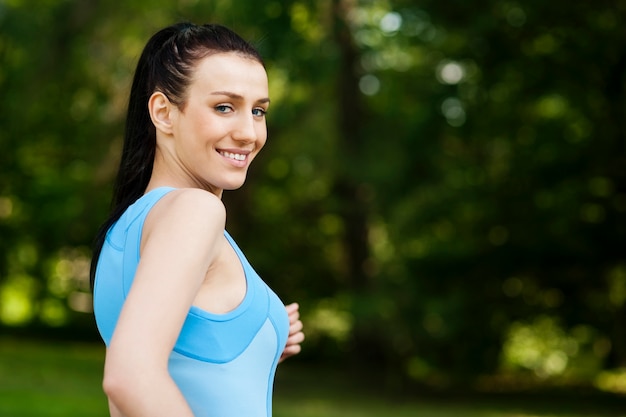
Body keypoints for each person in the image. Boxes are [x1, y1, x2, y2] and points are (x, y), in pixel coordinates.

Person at [89, 22, 305, 417]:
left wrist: (264, 335)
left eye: (258, 111)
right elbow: (129, 377)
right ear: (163, 112)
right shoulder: (197, 210)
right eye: (225, 107)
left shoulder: (125, 230)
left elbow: (188, 364)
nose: (248, 132)